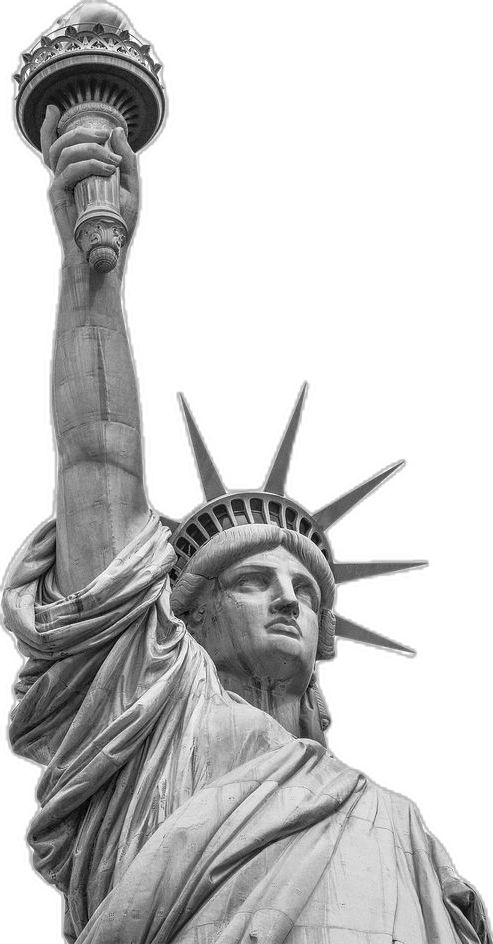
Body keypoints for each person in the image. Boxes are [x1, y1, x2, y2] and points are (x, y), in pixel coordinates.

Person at [2, 105, 491, 944]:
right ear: (185, 614)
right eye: (255, 580)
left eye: (304, 589)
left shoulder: (400, 829)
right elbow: (98, 458)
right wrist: (93, 278)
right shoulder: (155, 719)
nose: (288, 600)